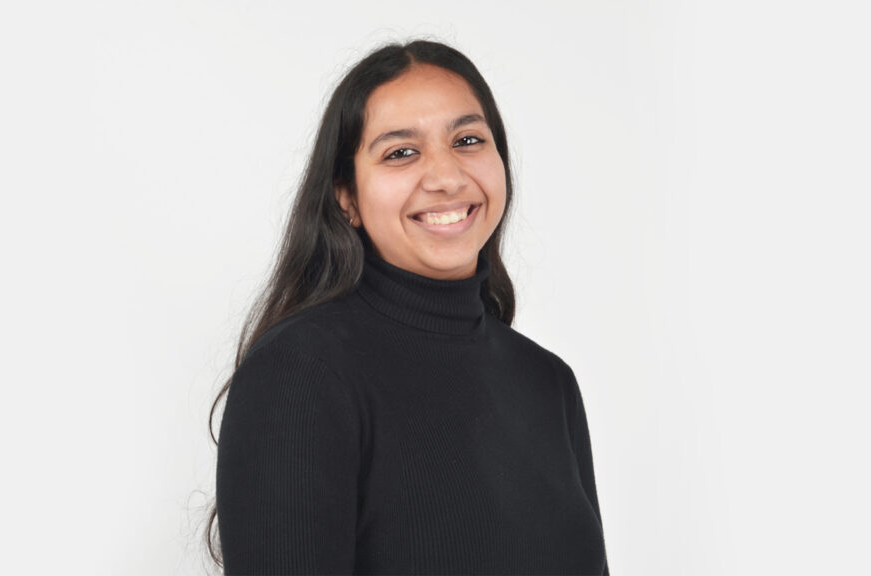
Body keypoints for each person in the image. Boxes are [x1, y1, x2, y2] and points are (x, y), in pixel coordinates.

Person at [206, 39, 609, 575]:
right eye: (401, 152)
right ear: (346, 197)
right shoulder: (299, 373)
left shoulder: (549, 382)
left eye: (468, 140)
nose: (447, 177)